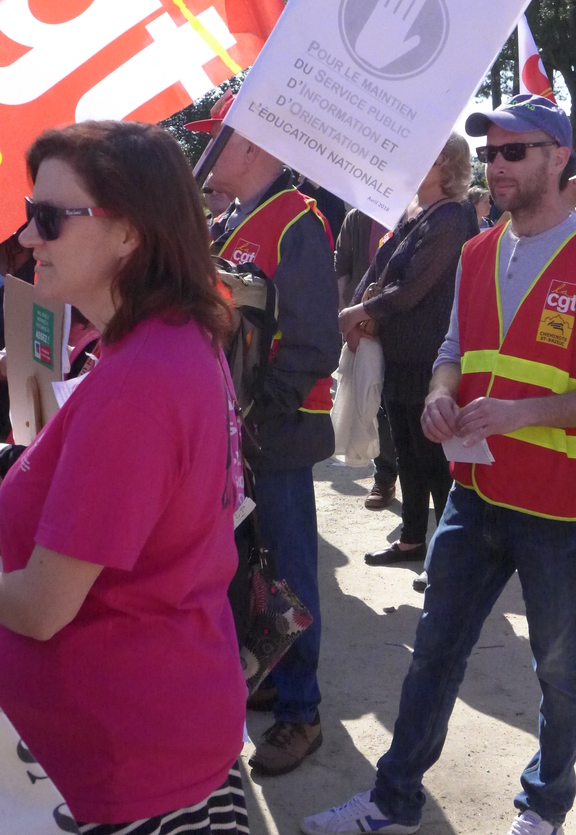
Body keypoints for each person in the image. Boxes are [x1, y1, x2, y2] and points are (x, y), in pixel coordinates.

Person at [301, 94, 576, 835]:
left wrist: (524, 414)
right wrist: (438, 396)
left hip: (561, 509)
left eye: (515, 151)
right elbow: (454, 351)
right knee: (431, 654)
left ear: (560, 157)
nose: (498, 165)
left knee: (560, 676)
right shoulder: (481, 250)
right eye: (491, 153)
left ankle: (543, 808)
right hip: (475, 491)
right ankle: (394, 801)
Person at [0, 120, 249, 835]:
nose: (27, 238)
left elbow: (45, 606)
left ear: (129, 233)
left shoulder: (140, 382)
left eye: (49, 219)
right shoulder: (167, 342)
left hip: (120, 767)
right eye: (28, 215)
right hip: (148, 737)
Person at [187, 93, 340, 777]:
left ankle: (301, 714)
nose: (205, 154)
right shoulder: (237, 221)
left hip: (274, 435)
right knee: (252, 570)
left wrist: (250, 416)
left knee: (289, 572)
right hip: (243, 434)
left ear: (253, 146)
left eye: (215, 141)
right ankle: (274, 672)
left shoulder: (295, 223)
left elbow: (313, 344)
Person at [339, 133, 477, 591]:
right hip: (401, 356)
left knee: (434, 461)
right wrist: (357, 307)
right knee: (407, 453)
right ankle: (412, 540)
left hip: (430, 357)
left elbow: (414, 287)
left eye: (424, 157)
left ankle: (447, 556)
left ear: (447, 166)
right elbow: (378, 269)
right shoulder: (418, 214)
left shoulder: (453, 217)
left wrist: (360, 313)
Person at [334, 208, 397, 510]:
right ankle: (384, 476)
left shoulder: (417, 213)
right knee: (373, 403)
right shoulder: (357, 218)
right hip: (362, 325)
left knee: (399, 402)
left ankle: (411, 480)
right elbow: (342, 269)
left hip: (401, 325)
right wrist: (348, 319)